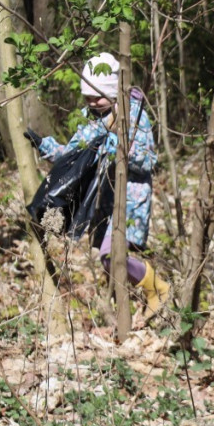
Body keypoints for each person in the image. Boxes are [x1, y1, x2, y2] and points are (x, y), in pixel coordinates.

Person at [28, 53, 170, 316]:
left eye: (98, 96)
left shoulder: (134, 115)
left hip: (129, 199)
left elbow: (148, 161)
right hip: (103, 199)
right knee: (107, 260)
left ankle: (157, 289)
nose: (93, 102)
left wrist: (119, 147)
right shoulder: (91, 119)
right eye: (88, 97)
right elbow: (73, 156)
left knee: (111, 257)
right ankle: (123, 307)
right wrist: (45, 146)